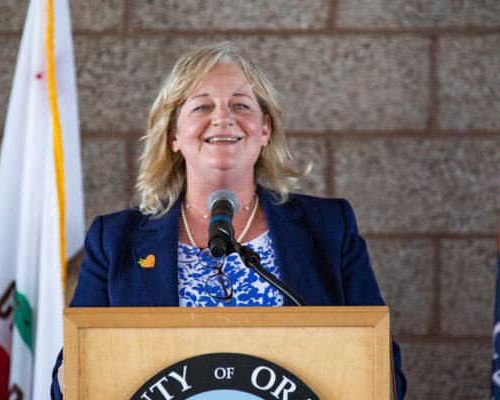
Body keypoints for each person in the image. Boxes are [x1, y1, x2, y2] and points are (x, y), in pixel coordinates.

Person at [51, 40, 407, 398]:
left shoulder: (331, 227)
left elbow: (382, 369)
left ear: (265, 129)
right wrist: (81, 371)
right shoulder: (114, 240)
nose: (223, 118)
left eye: (240, 104)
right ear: (174, 134)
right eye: (202, 106)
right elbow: (66, 381)